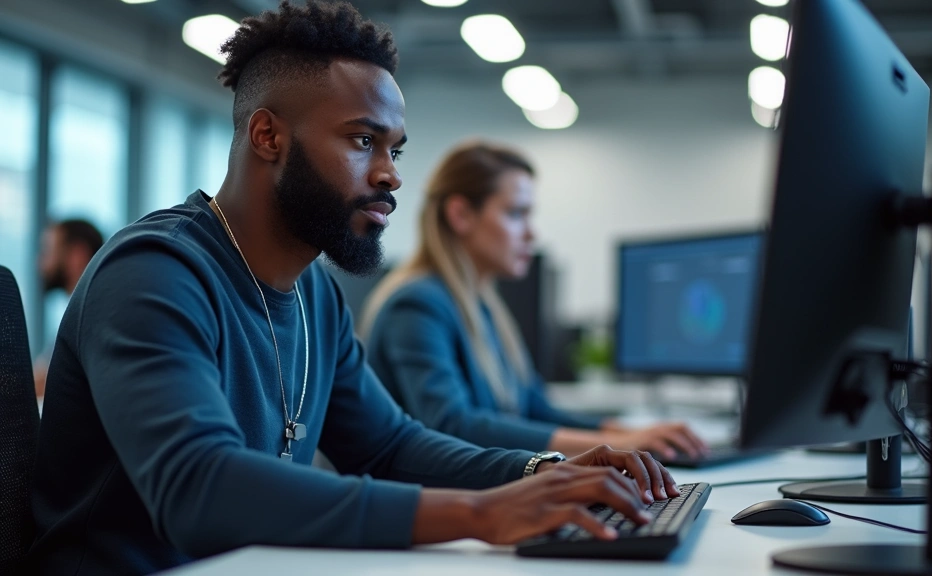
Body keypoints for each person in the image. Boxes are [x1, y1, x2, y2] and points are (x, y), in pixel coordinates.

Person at [26, 3, 682, 575]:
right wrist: (481, 513)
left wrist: (539, 473)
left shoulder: (314, 296)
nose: (391, 174)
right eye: (363, 140)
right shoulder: (153, 273)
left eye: (395, 149)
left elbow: (388, 444)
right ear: (268, 136)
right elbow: (199, 487)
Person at [360, 142, 708, 459]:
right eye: (516, 214)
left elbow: (534, 407)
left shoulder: (479, 306)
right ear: (461, 215)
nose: (531, 233)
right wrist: (615, 446)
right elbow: (453, 424)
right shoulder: (418, 304)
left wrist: (626, 434)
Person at [33, 218, 104, 398]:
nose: (39, 262)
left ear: (76, 255)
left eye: (47, 251)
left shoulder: (90, 320)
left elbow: (45, 383)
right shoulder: (75, 315)